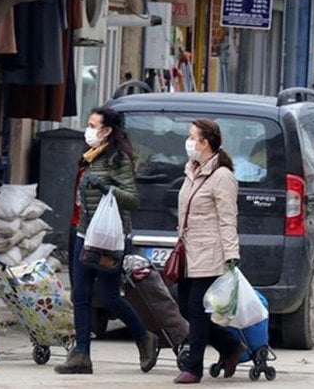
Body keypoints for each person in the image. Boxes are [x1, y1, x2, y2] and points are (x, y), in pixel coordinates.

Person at [55, 107, 158, 374]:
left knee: (109, 296)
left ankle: (144, 337)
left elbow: (132, 199)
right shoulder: (91, 156)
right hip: (84, 233)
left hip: (110, 239)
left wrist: (108, 188)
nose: (88, 130)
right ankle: (81, 355)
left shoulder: (117, 159)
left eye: (93, 125)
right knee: (80, 294)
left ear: (107, 131)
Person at [173, 118, 247, 384]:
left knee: (197, 308)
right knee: (184, 306)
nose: (188, 141)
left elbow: (228, 218)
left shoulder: (222, 177)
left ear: (205, 143)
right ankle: (230, 347)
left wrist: (231, 255)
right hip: (187, 252)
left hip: (210, 252)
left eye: (192, 137)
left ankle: (194, 367)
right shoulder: (192, 170)